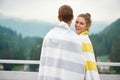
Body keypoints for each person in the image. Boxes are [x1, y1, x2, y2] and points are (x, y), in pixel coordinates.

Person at [38, 5, 86, 80]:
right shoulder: (76, 39)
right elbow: (79, 66)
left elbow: (44, 63)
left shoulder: (48, 36)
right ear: (72, 17)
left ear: (58, 17)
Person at [75, 13, 100, 80]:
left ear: (87, 26)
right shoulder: (85, 38)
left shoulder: (80, 39)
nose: (77, 25)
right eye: (77, 22)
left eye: (81, 23)